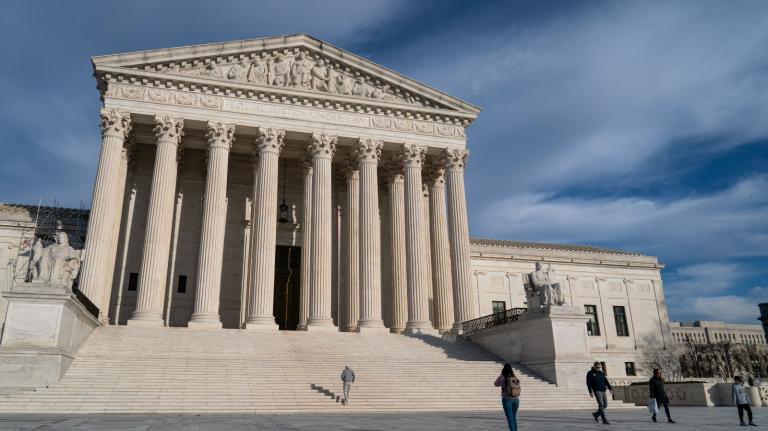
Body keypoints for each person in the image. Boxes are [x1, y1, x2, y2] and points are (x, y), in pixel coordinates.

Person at [494, 363, 520, 431]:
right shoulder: (514, 377)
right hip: (516, 399)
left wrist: (501, 374)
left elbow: (495, 384)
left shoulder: (502, 377)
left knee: (510, 419)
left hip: (507, 399)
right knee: (513, 417)